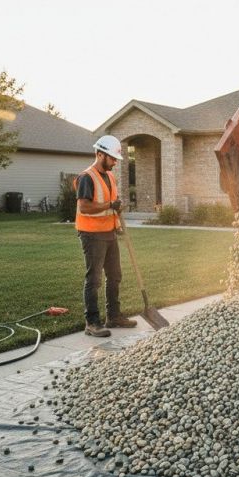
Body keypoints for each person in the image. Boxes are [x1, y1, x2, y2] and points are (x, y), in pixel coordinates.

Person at [74, 135, 138, 337]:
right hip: (92, 235)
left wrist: (116, 217)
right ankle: (92, 323)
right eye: (112, 158)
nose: (114, 163)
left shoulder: (110, 176)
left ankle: (114, 316)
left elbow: (111, 204)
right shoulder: (86, 177)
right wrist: (110, 205)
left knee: (115, 275)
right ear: (100, 154)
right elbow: (84, 207)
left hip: (109, 232)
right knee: (94, 279)